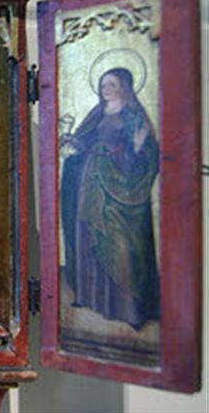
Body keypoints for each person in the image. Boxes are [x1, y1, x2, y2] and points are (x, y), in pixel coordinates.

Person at [60, 67, 160, 331]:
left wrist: (137, 147)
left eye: (111, 85)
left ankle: (129, 308)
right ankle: (93, 298)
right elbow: (84, 144)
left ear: (124, 87)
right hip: (90, 187)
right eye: (103, 85)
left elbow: (148, 155)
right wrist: (73, 141)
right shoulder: (96, 113)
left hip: (120, 191)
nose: (106, 90)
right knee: (89, 239)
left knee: (121, 246)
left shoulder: (134, 116)